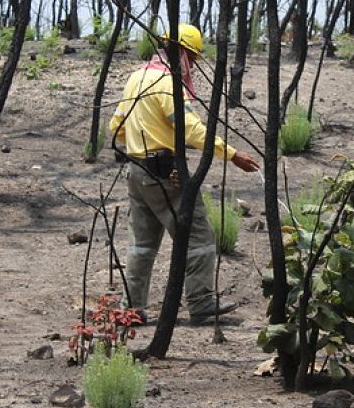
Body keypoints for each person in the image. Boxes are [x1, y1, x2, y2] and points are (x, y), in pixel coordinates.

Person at [109, 23, 259, 323]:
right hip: (165, 176)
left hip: (137, 174)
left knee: (141, 246)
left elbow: (116, 127)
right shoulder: (167, 83)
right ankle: (201, 302)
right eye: (191, 58)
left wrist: (141, 148)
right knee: (199, 237)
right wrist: (231, 154)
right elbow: (191, 129)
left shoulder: (136, 77)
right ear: (183, 53)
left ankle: (131, 310)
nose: (191, 66)